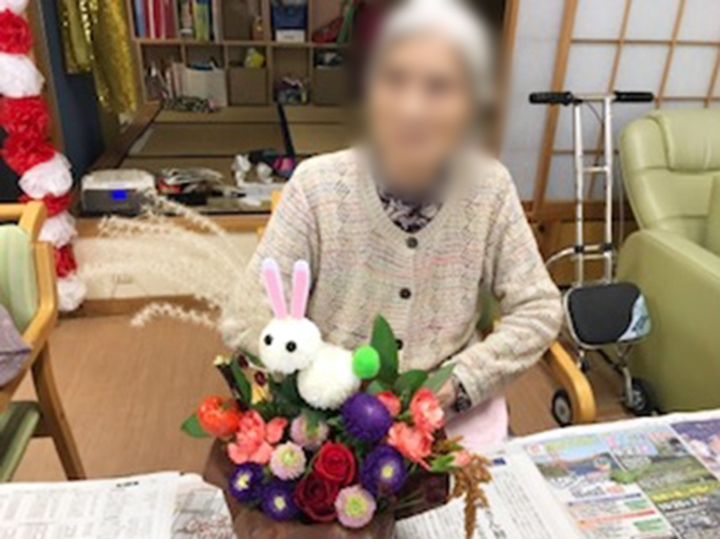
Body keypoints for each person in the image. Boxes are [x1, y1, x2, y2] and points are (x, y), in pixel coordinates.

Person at [237, 0, 563, 449]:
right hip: (336, 425)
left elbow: (540, 308)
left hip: (452, 419)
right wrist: (323, 374)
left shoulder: (489, 187)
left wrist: (459, 382)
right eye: (394, 80)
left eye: (439, 87)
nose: (412, 108)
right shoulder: (316, 188)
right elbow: (245, 315)